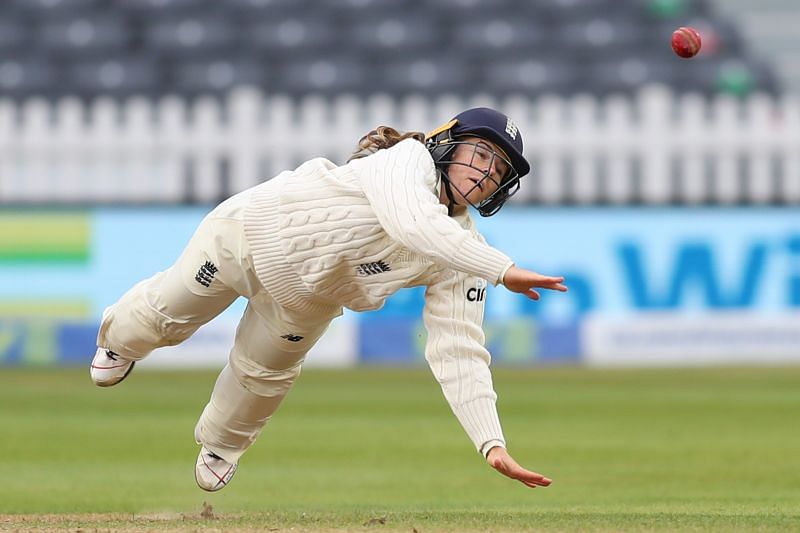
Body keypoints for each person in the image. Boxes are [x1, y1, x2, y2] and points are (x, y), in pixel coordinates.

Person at [90, 107, 568, 492]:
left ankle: (221, 445)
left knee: (264, 375)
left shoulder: (466, 254)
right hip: (244, 238)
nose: (484, 173)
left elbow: (459, 348)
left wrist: (491, 443)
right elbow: (416, 226)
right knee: (166, 317)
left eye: (498, 169)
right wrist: (503, 270)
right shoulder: (405, 161)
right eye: (480, 153)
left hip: (307, 300)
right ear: (447, 143)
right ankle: (118, 343)